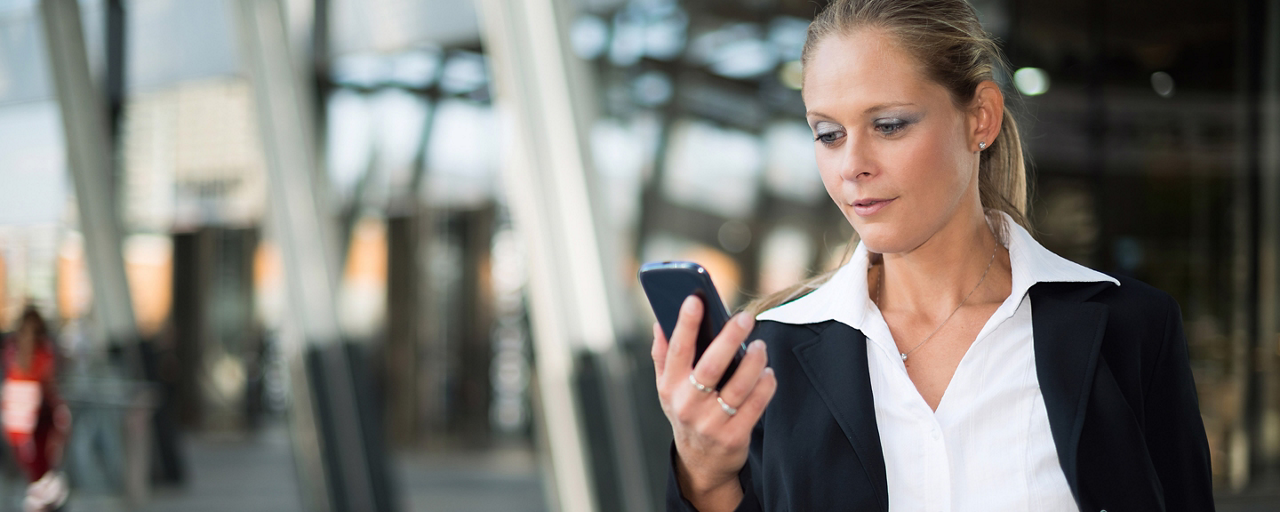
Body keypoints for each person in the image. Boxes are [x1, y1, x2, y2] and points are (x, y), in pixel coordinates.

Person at [651, 0, 1214, 510]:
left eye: (889, 125)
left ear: (981, 118)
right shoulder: (767, 361)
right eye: (827, 133)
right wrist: (704, 476)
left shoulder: (1129, 331)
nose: (852, 165)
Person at [2, 306, 71, 511]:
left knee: (38, 470)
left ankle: (43, 500)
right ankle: (44, 500)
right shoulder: (23, 351)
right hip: (27, 418)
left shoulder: (31, 352)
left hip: (32, 419)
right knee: (36, 469)